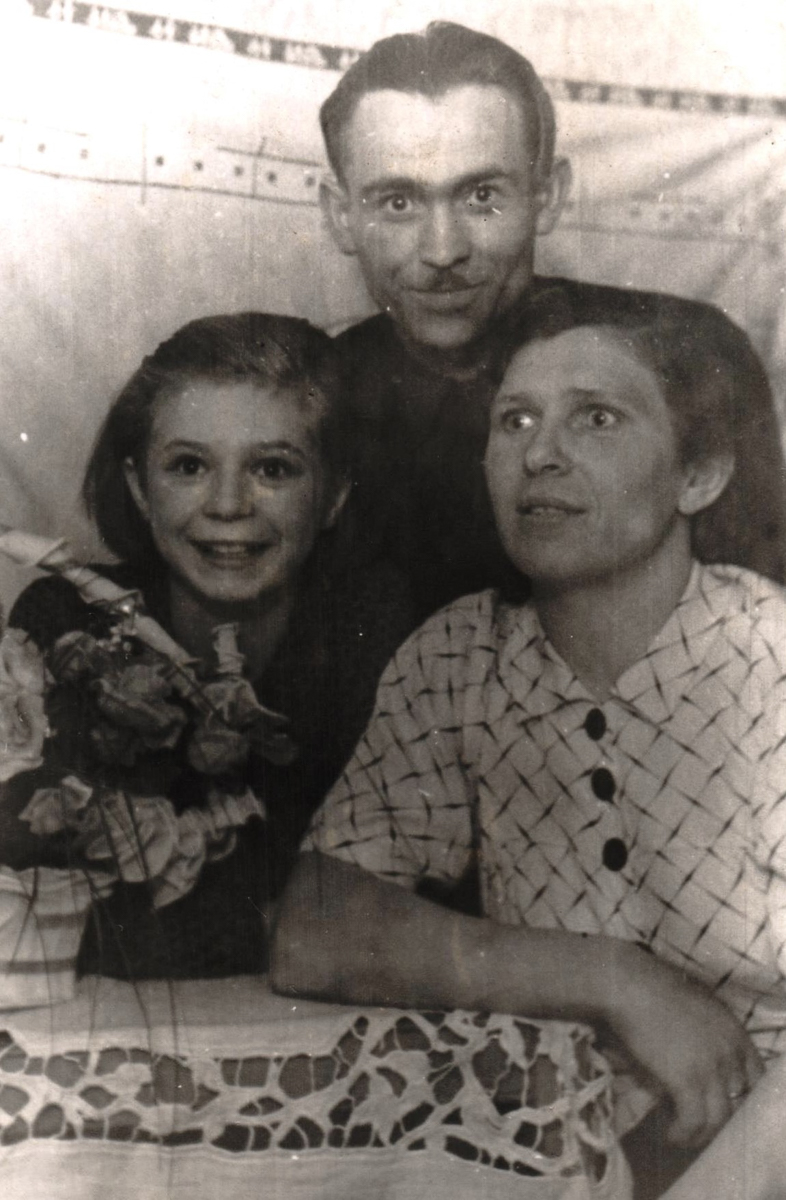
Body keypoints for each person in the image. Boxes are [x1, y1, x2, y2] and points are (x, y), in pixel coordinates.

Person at [272, 290, 786, 1197]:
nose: (539, 454)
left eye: (597, 418)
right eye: (514, 419)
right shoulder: (462, 655)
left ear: (699, 474)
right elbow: (314, 928)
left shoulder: (769, 659)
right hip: (562, 1147)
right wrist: (615, 978)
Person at [1, 312, 412, 995]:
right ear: (139, 487)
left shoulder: (372, 626)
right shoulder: (64, 617)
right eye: (189, 466)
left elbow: (383, 904)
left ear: (334, 495)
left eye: (273, 468)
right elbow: (43, 896)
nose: (227, 505)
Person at [320, 20, 786, 620]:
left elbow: (762, 635)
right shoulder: (314, 395)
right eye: (399, 202)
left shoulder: (692, 351)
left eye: (481, 196)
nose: (442, 251)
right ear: (340, 217)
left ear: (549, 196)